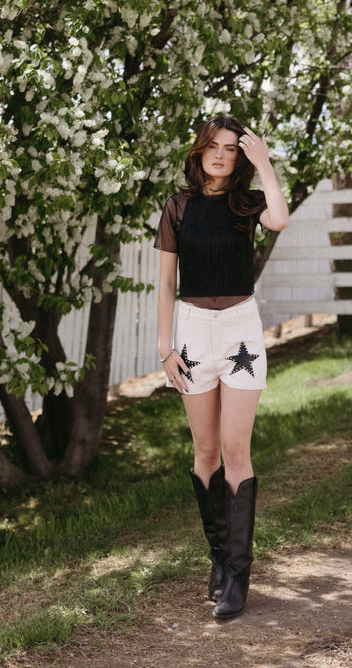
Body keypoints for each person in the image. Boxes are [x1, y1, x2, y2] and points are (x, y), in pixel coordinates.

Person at [155, 115, 289, 620]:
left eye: (232, 149)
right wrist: (164, 347)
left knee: (235, 449)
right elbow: (165, 283)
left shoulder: (247, 204)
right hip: (191, 333)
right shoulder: (177, 207)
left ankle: (238, 574)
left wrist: (266, 165)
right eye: (213, 146)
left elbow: (279, 220)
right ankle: (217, 560)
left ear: (240, 158)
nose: (220, 155)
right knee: (205, 451)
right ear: (199, 151)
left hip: (239, 329)